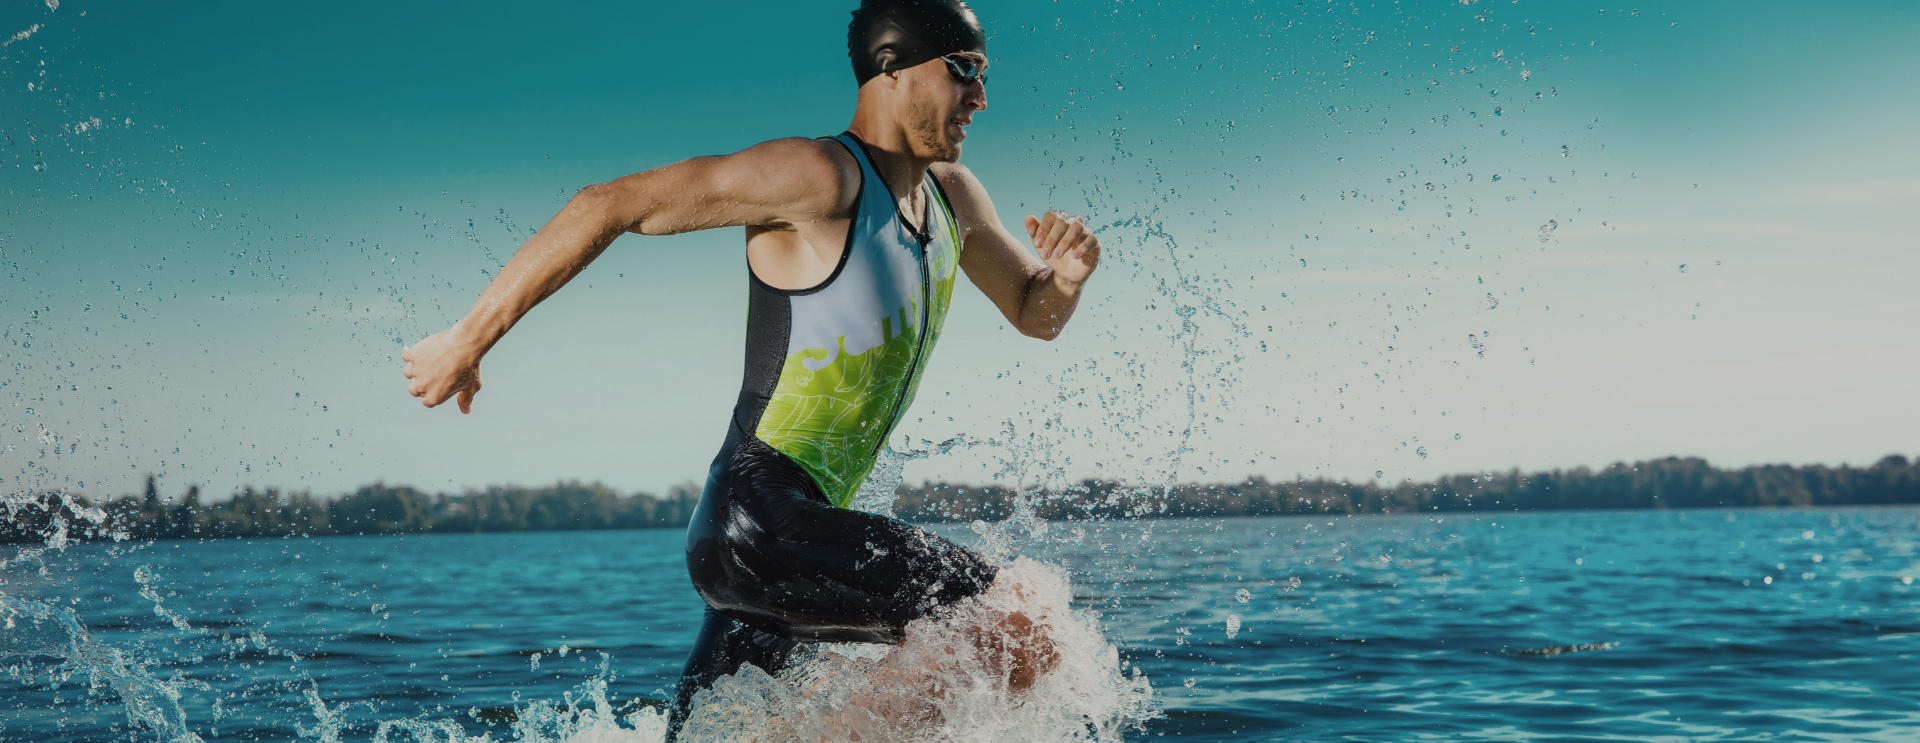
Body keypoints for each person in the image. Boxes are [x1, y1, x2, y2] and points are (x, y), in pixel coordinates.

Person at [401, 0, 1099, 736]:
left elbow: (1033, 311)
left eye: (984, 75)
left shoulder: (953, 198)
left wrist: (1071, 276)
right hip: (759, 518)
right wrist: (467, 340)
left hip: (795, 538)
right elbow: (610, 203)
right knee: (1015, 621)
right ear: (892, 66)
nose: (981, 97)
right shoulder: (819, 175)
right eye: (964, 72)